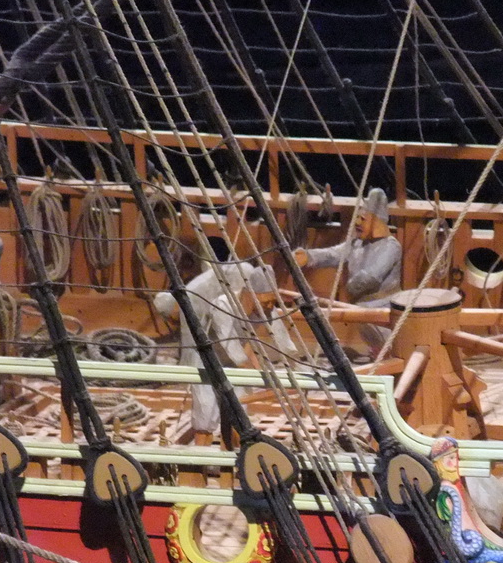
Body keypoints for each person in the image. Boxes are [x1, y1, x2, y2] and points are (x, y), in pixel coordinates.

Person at [153, 261, 296, 439]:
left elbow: (280, 341)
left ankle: (236, 457)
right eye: (265, 301)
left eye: (272, 302)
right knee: (205, 412)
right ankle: (203, 461)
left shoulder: (265, 309)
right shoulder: (223, 305)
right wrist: (257, 376)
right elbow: (231, 346)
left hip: (235, 364)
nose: (268, 307)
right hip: (207, 360)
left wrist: (293, 370)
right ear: (250, 294)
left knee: (239, 415)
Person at [294, 187, 400, 355]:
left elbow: (372, 277)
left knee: (385, 340)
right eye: (357, 218)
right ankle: (379, 354)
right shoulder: (356, 244)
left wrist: (350, 288)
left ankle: (387, 356)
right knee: (371, 336)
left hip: (382, 307)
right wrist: (308, 256)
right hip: (362, 307)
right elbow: (333, 254)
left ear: (376, 223)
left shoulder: (391, 247)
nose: (357, 222)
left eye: (362, 219)